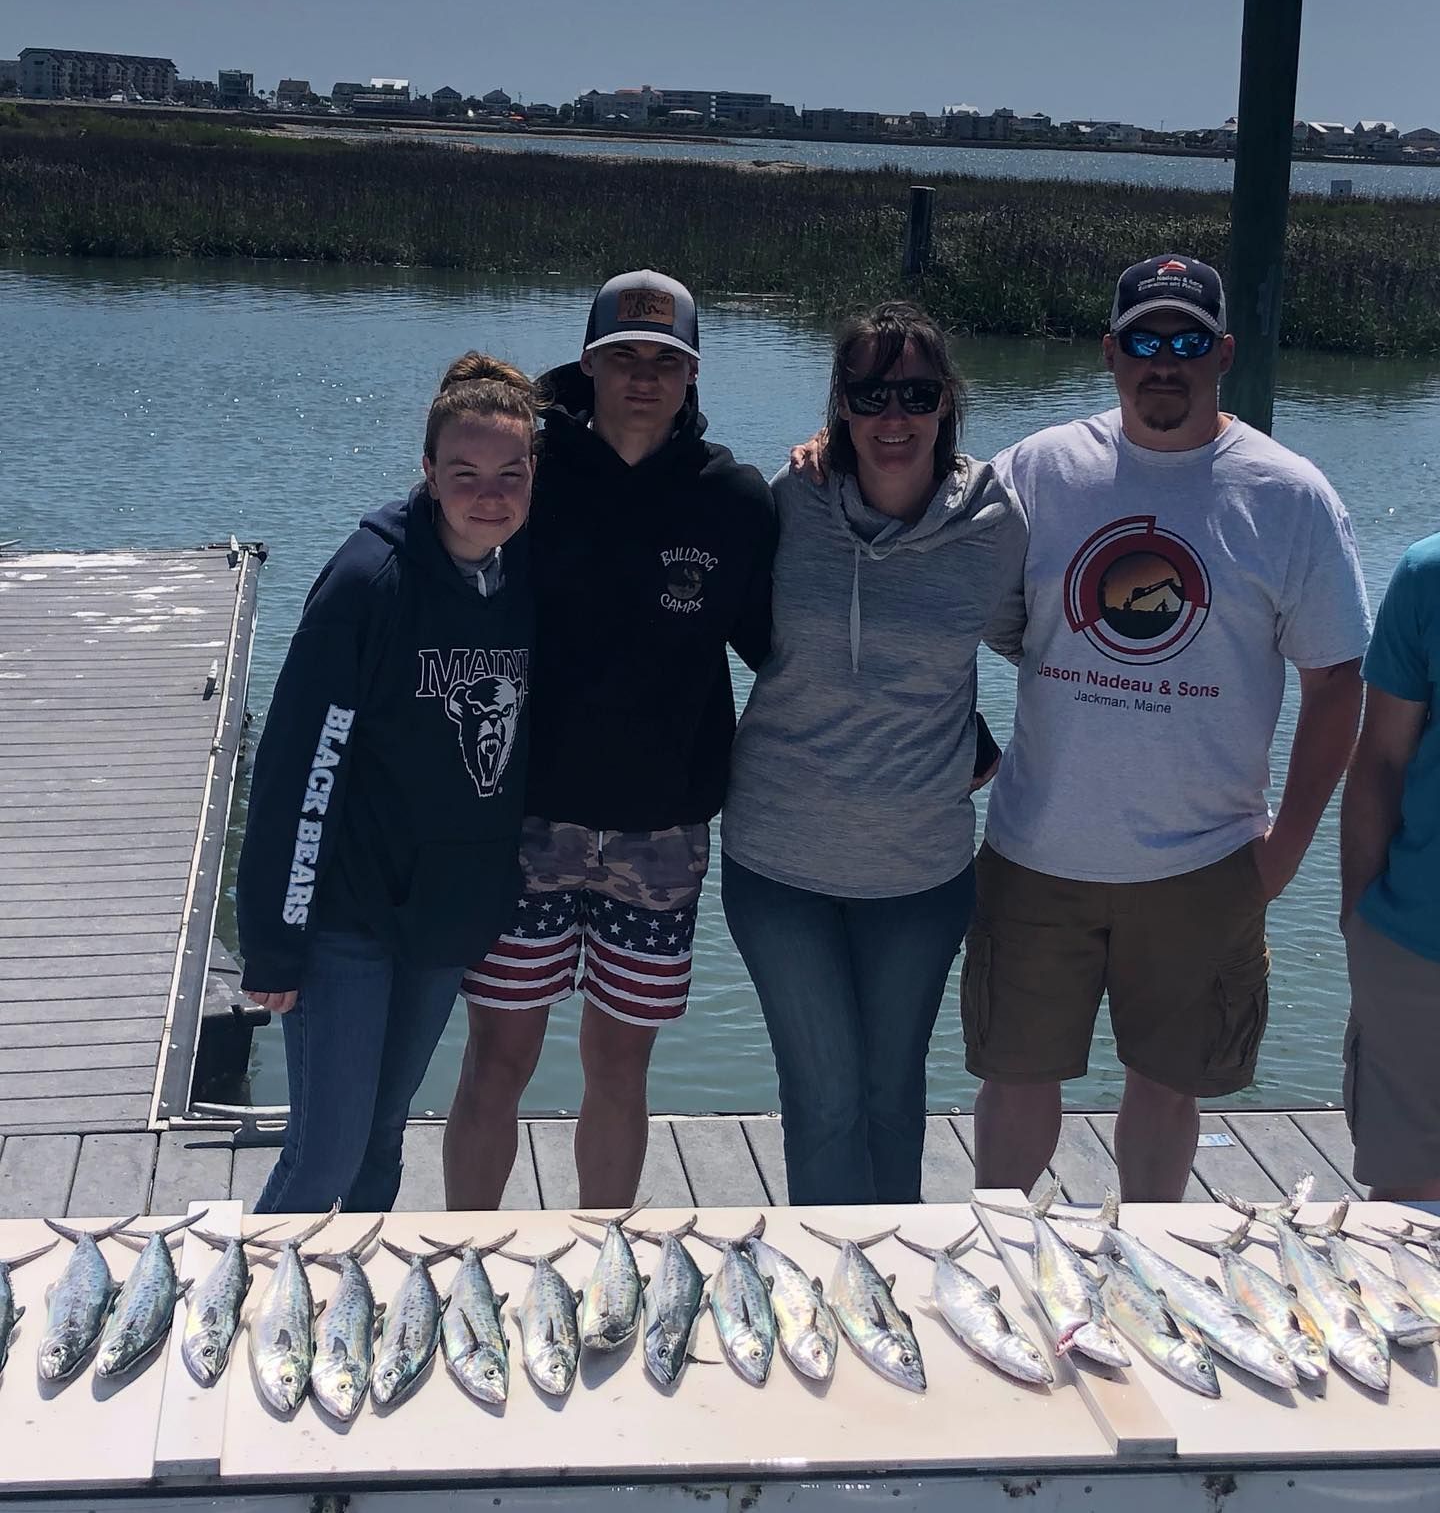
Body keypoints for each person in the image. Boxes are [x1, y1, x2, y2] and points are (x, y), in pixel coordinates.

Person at [964, 255, 1369, 1201]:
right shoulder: (1037, 469)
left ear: (1223, 354)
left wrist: (1288, 850)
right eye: (1144, 340)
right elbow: (959, 605)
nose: (1165, 362)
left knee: (1167, 1088)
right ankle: (1006, 1259)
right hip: (1037, 851)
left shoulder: (1291, 495)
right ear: (1110, 352)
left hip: (1207, 861)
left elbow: (1337, 682)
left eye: (1188, 342)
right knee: (1015, 1080)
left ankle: (1154, 1260)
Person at [446, 270, 776, 1211]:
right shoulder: (527, 476)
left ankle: (604, 1253)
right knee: (496, 1057)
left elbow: (783, 652)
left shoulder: (738, 500)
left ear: (693, 373)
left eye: (664, 360)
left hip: (661, 834)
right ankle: (468, 1251)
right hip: (524, 822)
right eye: (622, 357)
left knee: (619, 1066)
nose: (643, 377)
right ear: (586, 364)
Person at [722, 303, 1026, 1206]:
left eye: (916, 393)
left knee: (893, 1100)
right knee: (822, 1101)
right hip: (778, 864)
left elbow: (1049, 645)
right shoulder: (792, 500)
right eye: (870, 394)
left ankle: (891, 1283)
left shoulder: (997, 523)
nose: (894, 418)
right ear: (840, 407)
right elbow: (726, 616)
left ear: (947, 404)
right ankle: (826, 1290)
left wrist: (986, 743)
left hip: (922, 878)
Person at [237, 353, 538, 1212]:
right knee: (323, 1157)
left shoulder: (519, 579)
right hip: (346, 916)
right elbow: (300, 765)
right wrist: (275, 935)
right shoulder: (368, 580)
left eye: (510, 474)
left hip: (441, 918)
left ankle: (353, 1330)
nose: (490, 494)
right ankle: (254, 1322)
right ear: (428, 474)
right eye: (465, 473)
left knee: (381, 1140)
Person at [1339, 533, 1440, 1201]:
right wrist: (1358, 917)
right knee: (1409, 1217)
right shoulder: (1427, 573)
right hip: (1417, 948)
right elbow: (1378, 758)